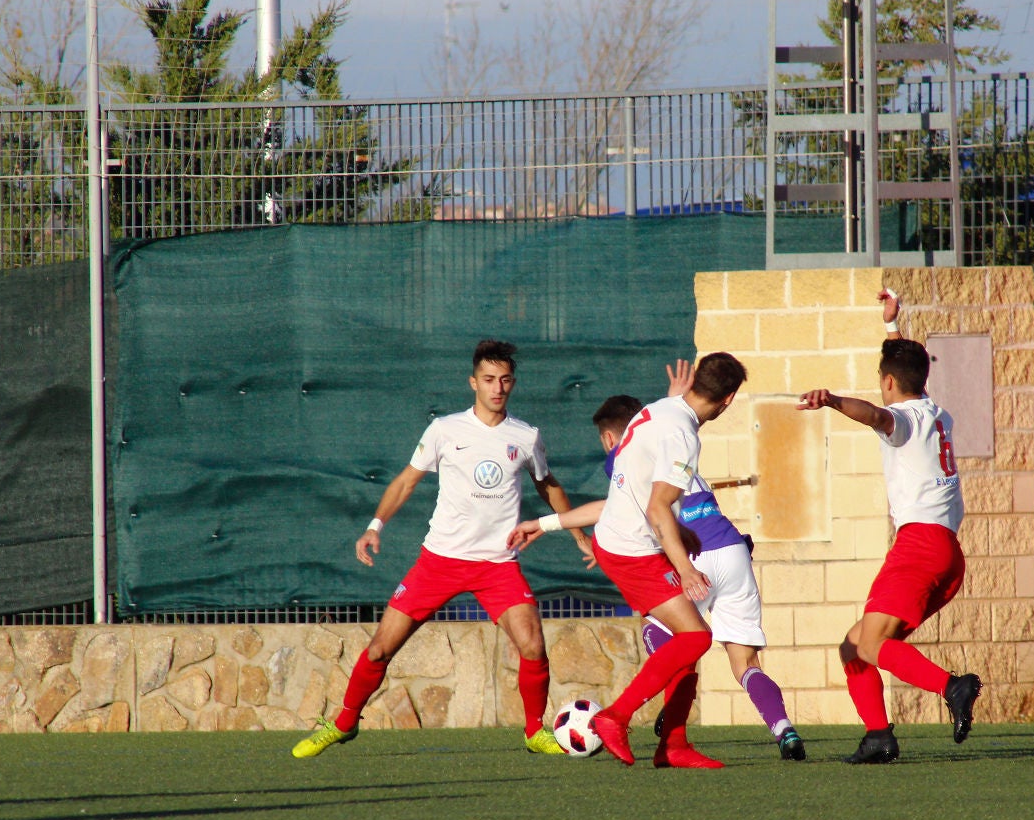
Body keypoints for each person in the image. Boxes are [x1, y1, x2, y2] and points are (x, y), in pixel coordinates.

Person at [292, 339, 586, 759]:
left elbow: (547, 483)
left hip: (497, 565)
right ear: (473, 383)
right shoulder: (445, 430)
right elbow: (406, 481)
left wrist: (576, 534)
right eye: (488, 379)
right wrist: (375, 526)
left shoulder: (526, 436)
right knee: (380, 648)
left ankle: (535, 730)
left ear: (513, 383)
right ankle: (342, 723)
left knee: (533, 646)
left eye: (504, 380)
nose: (497, 387)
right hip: (440, 562)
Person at [512, 367, 806, 761]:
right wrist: (685, 567)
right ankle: (619, 717)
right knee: (700, 640)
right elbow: (656, 507)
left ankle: (673, 745)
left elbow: (626, 503)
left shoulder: (654, 414)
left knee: (687, 642)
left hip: (636, 545)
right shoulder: (682, 437)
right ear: (729, 400)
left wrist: (545, 522)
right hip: (650, 550)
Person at [795, 288, 981, 763]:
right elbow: (906, 375)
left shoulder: (897, 417)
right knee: (854, 646)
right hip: (946, 552)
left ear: (888, 382)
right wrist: (891, 328)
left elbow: (878, 414)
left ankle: (952, 687)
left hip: (918, 546)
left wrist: (833, 400)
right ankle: (878, 735)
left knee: (873, 643)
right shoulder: (936, 412)